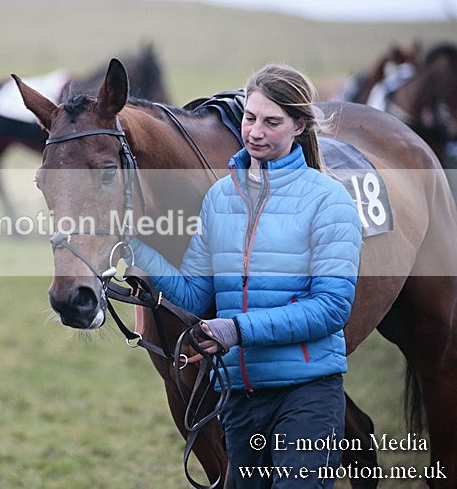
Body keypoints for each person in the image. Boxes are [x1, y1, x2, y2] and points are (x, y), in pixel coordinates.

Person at [130, 64, 362, 487]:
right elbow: (196, 295)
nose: (255, 132)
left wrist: (235, 330)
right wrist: (138, 249)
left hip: (307, 396)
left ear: (300, 126)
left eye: (272, 122)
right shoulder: (221, 198)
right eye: (250, 118)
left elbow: (332, 309)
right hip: (240, 398)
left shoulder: (330, 200)